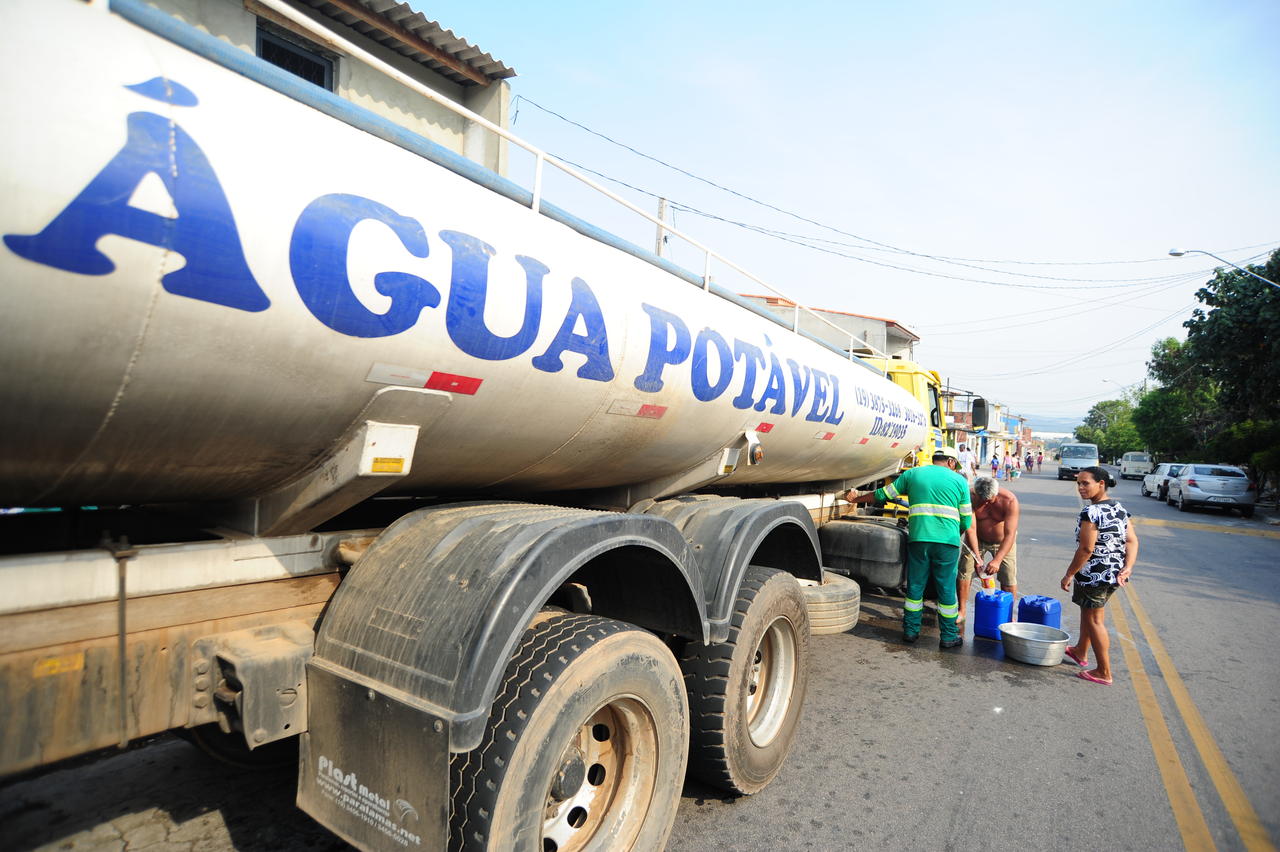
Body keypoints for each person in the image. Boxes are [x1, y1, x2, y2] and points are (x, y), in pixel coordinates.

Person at [842, 447, 979, 648]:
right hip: (947, 543)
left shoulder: (913, 474)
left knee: (915, 586)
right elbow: (966, 522)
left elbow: (882, 494)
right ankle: (949, 636)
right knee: (947, 590)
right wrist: (951, 534)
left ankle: (910, 631)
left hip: (919, 539)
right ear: (950, 462)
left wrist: (856, 498)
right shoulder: (959, 481)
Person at [1060, 467, 1138, 685]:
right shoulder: (1119, 508)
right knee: (1089, 613)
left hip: (1094, 575)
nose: (1081, 488)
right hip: (1113, 573)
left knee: (1094, 620)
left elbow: (1086, 549)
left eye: (1086, 483)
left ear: (1101, 483)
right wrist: (1128, 567)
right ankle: (1080, 651)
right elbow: (1131, 541)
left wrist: (1068, 574)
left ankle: (1104, 672)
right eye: (1079, 484)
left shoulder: (1091, 513)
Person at [957, 475, 1020, 623]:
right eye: (982, 500)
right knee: (965, 571)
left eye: (989, 500)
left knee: (1008, 574)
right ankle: (962, 610)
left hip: (1003, 542)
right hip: (976, 540)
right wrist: (978, 559)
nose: (985, 503)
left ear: (996, 493)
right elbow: (971, 529)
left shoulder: (1010, 501)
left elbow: (1010, 535)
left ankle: (1008, 615)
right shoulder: (970, 496)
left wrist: (997, 561)